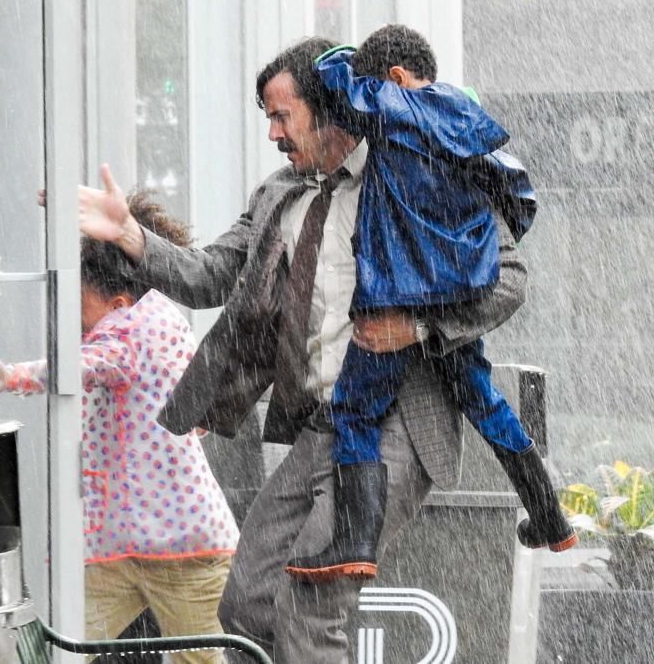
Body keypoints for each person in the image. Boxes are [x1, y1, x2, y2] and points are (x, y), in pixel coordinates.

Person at [73, 37, 529, 664]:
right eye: (267, 118)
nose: (272, 133)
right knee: (246, 605)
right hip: (321, 428)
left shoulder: (414, 170)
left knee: (311, 602)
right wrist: (130, 236)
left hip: (397, 423)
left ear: (329, 107)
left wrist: (419, 326)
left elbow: (510, 278)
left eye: (282, 116)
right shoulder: (279, 195)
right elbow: (209, 277)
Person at [285, 25, 577, 583]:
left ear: (395, 78)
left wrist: (351, 60)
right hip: (452, 296)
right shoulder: (467, 125)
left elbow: (329, 70)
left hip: (392, 294)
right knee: (486, 404)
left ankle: (355, 542)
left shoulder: (395, 110)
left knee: (355, 411)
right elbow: (519, 200)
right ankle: (550, 516)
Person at [0, 194, 239, 664]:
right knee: (71, 647)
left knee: (176, 657)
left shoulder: (131, 333)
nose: (77, 324)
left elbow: (81, 367)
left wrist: (11, 376)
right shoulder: (161, 318)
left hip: (179, 549)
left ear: (118, 304)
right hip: (135, 543)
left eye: (82, 310)